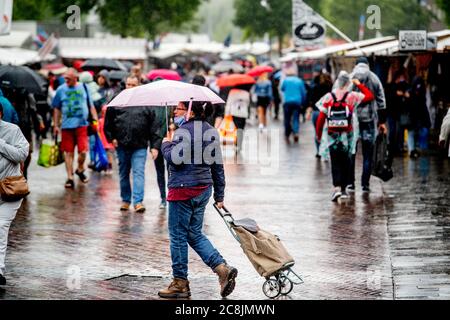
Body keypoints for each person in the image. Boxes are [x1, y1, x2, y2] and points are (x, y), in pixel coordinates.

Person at [158, 101, 238, 299]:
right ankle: (221, 268)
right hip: (203, 188)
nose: (175, 112)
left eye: (179, 108)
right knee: (193, 233)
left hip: (183, 190)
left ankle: (180, 282)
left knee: (177, 236)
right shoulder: (211, 130)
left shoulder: (183, 131)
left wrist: (165, 145)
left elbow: (175, 159)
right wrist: (219, 195)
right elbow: (217, 165)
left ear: (190, 111)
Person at [104, 76, 162, 213]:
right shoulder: (117, 100)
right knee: (124, 173)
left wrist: (155, 145)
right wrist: (111, 138)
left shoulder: (146, 102)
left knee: (138, 172)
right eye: (128, 84)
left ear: (138, 85)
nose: (130, 87)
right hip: (122, 144)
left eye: (133, 84)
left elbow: (154, 125)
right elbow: (108, 122)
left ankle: (138, 201)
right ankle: (125, 200)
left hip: (140, 145)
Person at [316, 72, 374, 202]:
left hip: (332, 135)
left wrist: (319, 134)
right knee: (346, 160)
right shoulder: (352, 96)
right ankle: (343, 190)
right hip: (348, 135)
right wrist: (359, 85)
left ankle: (336, 189)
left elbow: (321, 118)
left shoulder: (329, 97)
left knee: (335, 161)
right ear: (348, 83)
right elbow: (370, 96)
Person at [52, 68, 99, 189]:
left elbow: (91, 105)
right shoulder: (61, 90)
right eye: (65, 78)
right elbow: (56, 108)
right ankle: (70, 177)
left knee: (83, 152)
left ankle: (79, 169)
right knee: (69, 153)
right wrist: (56, 125)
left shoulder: (84, 87)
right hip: (66, 126)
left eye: (68, 78)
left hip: (82, 125)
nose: (65, 80)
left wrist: (95, 120)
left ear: (75, 77)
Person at [0, 103, 30, 286]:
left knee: (1, 227)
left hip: (10, 190)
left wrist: (1, 144)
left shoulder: (13, 130)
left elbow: (20, 155)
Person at [349, 57, 387, 194]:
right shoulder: (374, 78)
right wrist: (382, 121)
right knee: (368, 153)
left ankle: (350, 184)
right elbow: (381, 100)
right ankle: (365, 184)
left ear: (356, 64)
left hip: (352, 121)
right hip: (370, 120)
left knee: (351, 152)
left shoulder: (350, 77)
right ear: (368, 65)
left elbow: (343, 96)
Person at [308, 72, 333, 156]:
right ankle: (327, 150)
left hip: (316, 112)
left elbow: (311, 101)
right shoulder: (332, 88)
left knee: (317, 131)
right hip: (329, 112)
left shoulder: (315, 87)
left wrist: (308, 111)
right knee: (329, 132)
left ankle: (319, 151)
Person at [386, 70, 410, 157]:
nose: (402, 79)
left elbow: (407, 94)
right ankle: (392, 146)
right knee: (393, 130)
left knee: (400, 130)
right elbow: (390, 96)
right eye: (401, 77)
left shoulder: (404, 86)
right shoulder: (391, 86)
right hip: (392, 112)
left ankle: (398, 146)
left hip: (399, 113)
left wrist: (403, 94)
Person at [407, 73, 431, 159]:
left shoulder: (411, 93)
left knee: (412, 134)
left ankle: (413, 150)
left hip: (415, 118)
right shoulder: (420, 94)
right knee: (415, 133)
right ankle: (417, 149)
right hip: (417, 117)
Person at [280, 72, 307, 143]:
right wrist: (303, 103)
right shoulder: (299, 81)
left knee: (287, 119)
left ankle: (287, 134)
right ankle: (296, 132)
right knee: (296, 118)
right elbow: (303, 93)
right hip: (297, 102)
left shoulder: (285, 80)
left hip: (287, 102)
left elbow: (282, 89)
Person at [226, 88, 251, 153]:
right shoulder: (246, 93)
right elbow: (248, 103)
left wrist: (226, 113)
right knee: (241, 129)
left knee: (237, 128)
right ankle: (239, 144)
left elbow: (229, 103)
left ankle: (237, 143)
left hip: (235, 113)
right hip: (243, 113)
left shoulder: (232, 92)